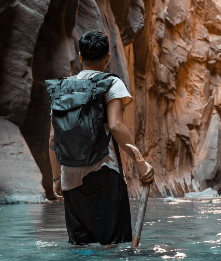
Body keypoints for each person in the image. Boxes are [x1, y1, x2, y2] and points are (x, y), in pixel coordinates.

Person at [48, 30, 155, 246]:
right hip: (105, 171)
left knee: (81, 246)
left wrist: (56, 179)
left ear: (80, 56)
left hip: (69, 175)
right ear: (108, 58)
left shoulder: (61, 88)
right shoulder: (112, 83)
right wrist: (140, 161)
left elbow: (53, 139)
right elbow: (115, 125)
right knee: (112, 244)